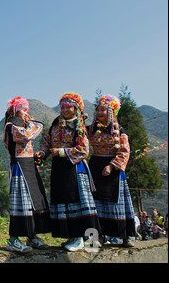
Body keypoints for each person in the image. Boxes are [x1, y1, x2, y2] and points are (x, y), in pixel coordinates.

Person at [35, 92, 100, 252]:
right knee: (65, 203)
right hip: (60, 169)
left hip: (75, 169)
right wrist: (42, 154)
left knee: (78, 202)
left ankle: (85, 239)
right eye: (62, 106)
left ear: (76, 108)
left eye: (68, 106)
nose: (64, 109)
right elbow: (47, 142)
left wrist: (62, 152)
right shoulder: (56, 124)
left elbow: (83, 150)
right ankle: (72, 236)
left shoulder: (80, 126)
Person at [87, 95, 136, 247]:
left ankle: (127, 236)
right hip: (95, 167)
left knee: (117, 203)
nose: (99, 112)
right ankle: (95, 238)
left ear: (112, 112)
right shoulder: (91, 129)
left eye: (103, 110)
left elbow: (124, 151)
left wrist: (111, 166)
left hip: (113, 169)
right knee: (95, 203)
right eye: (98, 110)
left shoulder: (119, 130)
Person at [3, 96, 50, 253]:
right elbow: (26, 135)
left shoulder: (23, 125)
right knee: (21, 203)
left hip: (29, 166)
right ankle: (13, 239)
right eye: (23, 109)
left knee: (34, 201)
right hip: (19, 167)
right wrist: (34, 123)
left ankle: (32, 235)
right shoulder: (11, 126)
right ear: (15, 111)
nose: (26, 112)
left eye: (27, 110)